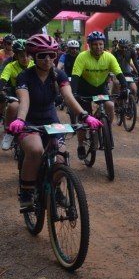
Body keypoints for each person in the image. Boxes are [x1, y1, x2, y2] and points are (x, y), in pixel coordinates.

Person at [8, 34, 101, 209]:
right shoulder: (24, 76)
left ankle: (56, 189)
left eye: (51, 54)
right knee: (35, 150)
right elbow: (24, 101)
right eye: (42, 55)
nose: (47, 59)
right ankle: (27, 191)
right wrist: (20, 119)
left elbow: (68, 96)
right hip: (29, 119)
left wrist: (85, 115)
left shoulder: (59, 74)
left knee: (61, 157)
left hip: (50, 118)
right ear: (34, 57)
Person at [71, 31, 130, 160]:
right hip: (84, 89)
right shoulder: (82, 56)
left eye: (101, 44)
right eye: (95, 44)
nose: (98, 47)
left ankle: (106, 129)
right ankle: (81, 145)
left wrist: (125, 87)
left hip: (100, 88)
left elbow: (119, 73)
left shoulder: (109, 57)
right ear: (90, 45)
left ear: (104, 45)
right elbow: (75, 76)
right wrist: (74, 93)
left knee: (109, 105)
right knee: (83, 117)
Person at [1, 39, 34, 150]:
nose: (25, 58)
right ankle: (9, 133)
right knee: (13, 106)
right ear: (16, 56)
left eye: (27, 55)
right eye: (21, 56)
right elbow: (3, 79)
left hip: (33, 94)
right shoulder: (10, 66)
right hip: (15, 94)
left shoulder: (35, 65)